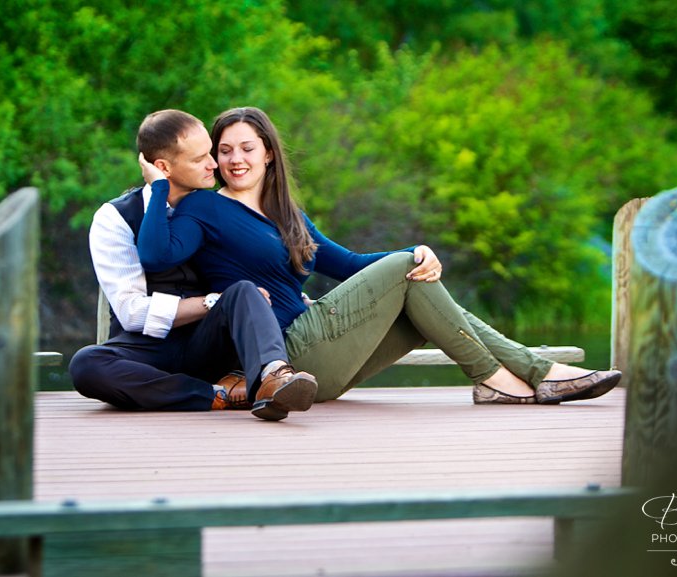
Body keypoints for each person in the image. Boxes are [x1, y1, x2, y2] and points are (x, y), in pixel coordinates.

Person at [136, 106, 621, 405]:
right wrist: (159, 187)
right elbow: (156, 255)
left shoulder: (288, 215)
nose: (234, 159)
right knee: (406, 272)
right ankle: (517, 375)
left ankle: (520, 374)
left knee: (419, 302)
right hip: (283, 352)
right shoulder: (203, 206)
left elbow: (345, 264)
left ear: (268, 154)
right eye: (223, 151)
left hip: (319, 364)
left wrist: (416, 251)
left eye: (246, 147)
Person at [68, 109, 317, 421]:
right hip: (147, 350)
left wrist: (291, 297)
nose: (215, 164)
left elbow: (258, 270)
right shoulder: (115, 218)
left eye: (211, 154)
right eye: (200, 159)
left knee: (241, 291)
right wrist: (211, 302)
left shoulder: (216, 206)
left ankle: (273, 378)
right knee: (86, 365)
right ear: (163, 168)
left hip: (210, 343)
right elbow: (131, 312)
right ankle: (213, 395)